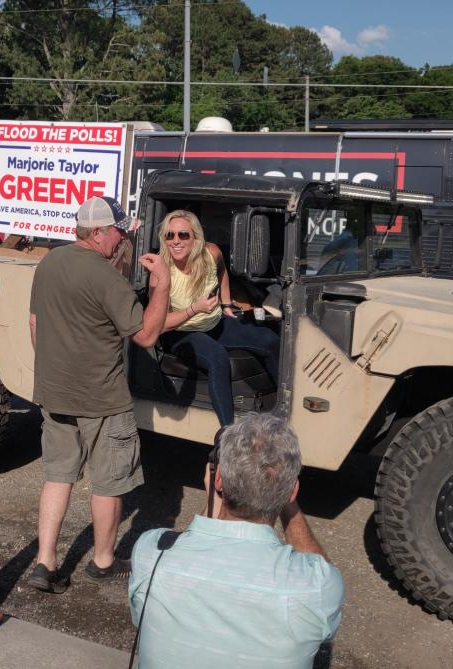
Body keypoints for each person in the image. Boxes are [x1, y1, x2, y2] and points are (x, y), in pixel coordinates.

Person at [26, 195, 171, 592]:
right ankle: (104, 561)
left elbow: (35, 325)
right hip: (103, 398)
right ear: (98, 233)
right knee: (109, 482)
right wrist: (162, 285)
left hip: (54, 393)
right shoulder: (106, 276)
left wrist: (57, 372)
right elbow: (147, 334)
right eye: (117, 231)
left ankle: (45, 562)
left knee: (58, 476)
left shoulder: (50, 262)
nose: (122, 237)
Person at [128, 413, 344, 668]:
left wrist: (214, 499)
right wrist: (287, 503)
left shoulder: (151, 552)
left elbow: (141, 616)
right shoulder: (317, 585)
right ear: (292, 491)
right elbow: (318, 568)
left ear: (218, 478)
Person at [154, 210, 280, 426]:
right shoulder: (161, 270)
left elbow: (222, 273)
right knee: (217, 357)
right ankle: (227, 433)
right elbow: (160, 324)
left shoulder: (212, 253)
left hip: (213, 323)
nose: (175, 241)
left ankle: (284, 410)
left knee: (269, 340)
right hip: (179, 332)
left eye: (183, 235)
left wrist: (226, 303)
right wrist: (195, 308)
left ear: (196, 237)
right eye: (169, 235)